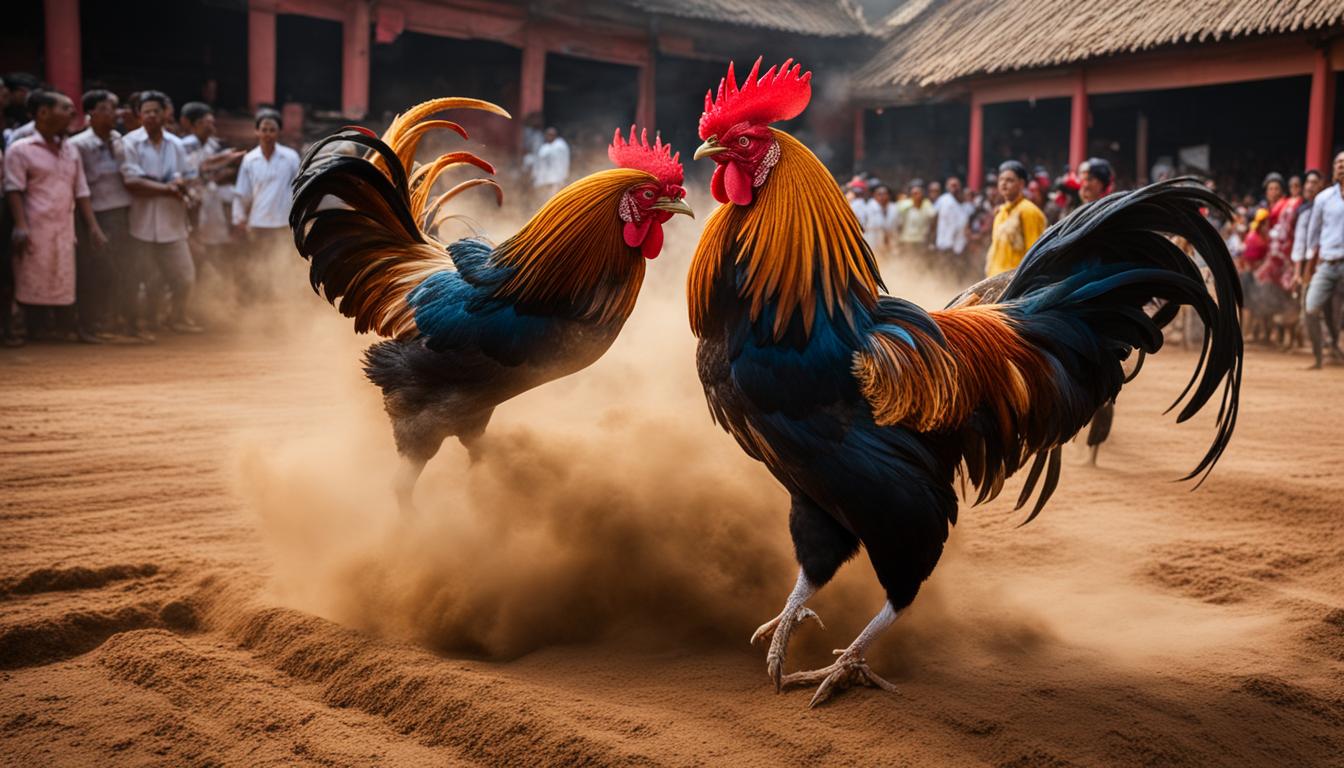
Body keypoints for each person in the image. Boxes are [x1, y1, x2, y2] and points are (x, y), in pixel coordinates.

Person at [3, 90, 106, 344]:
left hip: (64, 224)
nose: (72, 113)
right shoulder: (21, 149)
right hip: (35, 223)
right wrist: (20, 224)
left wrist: (93, 226)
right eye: (65, 108)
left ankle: (61, 328)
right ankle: (32, 329)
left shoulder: (70, 150)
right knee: (32, 276)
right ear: (43, 113)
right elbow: (13, 189)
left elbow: (81, 190)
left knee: (61, 275)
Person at [122, 90, 200, 335]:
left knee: (185, 276)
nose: (152, 116)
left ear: (165, 113)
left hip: (172, 223)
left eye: (156, 111)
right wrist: (168, 188)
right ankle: (140, 324)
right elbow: (131, 181)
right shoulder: (130, 143)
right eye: (146, 112)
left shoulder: (175, 144)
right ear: (139, 116)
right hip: (141, 224)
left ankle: (175, 317)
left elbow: (189, 176)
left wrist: (182, 185)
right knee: (144, 279)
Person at [70, 89, 139, 340]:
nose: (114, 114)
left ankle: (112, 321)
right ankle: (88, 324)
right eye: (108, 108)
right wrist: (92, 226)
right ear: (91, 112)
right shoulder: (78, 145)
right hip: (96, 214)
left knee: (121, 270)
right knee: (96, 271)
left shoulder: (119, 140)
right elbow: (80, 189)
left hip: (121, 213)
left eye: (115, 108)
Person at [231, 108, 300, 301]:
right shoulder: (250, 159)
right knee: (256, 265)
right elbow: (241, 193)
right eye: (264, 129)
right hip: (258, 222)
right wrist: (239, 219)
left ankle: (281, 304)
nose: (267, 134)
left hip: (283, 223)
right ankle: (257, 306)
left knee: (281, 265)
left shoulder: (291, 157)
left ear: (279, 132)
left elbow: (298, 189)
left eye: (272, 130)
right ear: (257, 132)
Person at [1304, 151, 1344, 369]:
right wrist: (1309, 267)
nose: (1341, 166)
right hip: (1328, 263)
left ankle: (1335, 347)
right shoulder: (1323, 198)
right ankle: (1319, 358)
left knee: (1335, 313)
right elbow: (1313, 235)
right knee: (1310, 308)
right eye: (1338, 162)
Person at [985, 160, 1047, 277]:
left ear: (1022, 184)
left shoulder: (1029, 211)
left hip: (1015, 282)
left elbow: (1034, 253)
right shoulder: (1001, 212)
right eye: (1001, 179)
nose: (1004, 183)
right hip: (995, 279)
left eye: (1010, 180)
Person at [895, 179, 935, 259]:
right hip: (907, 240)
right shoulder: (904, 206)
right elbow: (899, 224)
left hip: (921, 241)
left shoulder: (927, 206)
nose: (917, 195)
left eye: (918, 193)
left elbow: (932, 221)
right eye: (914, 193)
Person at [933, 175, 969, 260]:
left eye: (956, 185)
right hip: (944, 244)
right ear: (947, 187)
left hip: (959, 246)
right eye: (952, 185)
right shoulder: (943, 200)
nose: (954, 188)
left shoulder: (964, 206)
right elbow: (934, 218)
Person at [530, 126, 570, 202]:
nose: (549, 136)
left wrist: (562, 176)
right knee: (544, 199)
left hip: (556, 177)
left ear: (555, 135)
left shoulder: (560, 146)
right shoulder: (545, 147)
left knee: (553, 198)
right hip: (545, 178)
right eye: (548, 134)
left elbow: (562, 162)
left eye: (551, 135)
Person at [862, 184, 897, 259]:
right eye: (879, 194)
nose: (882, 197)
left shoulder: (894, 208)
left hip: (890, 240)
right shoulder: (868, 208)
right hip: (872, 239)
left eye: (885, 194)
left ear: (889, 195)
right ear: (874, 195)